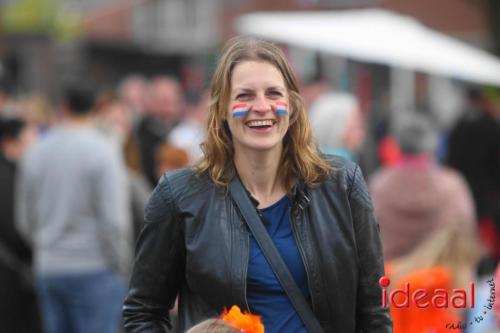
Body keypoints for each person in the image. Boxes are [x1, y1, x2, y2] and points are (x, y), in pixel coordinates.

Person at [123, 36, 392, 333]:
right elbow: (142, 312)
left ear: (291, 105)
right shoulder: (180, 195)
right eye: (245, 96)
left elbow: (374, 312)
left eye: (273, 93)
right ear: (222, 108)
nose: (261, 107)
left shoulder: (342, 184)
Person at [16, 82, 132, 333]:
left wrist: (45, 245)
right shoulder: (104, 151)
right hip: (95, 266)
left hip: (49, 265)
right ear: (93, 108)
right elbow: (114, 221)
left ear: (63, 106)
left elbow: (25, 220)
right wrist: (121, 264)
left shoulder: (35, 151)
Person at [370, 112, 476, 260]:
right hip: (440, 275)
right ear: (434, 143)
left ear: (398, 143)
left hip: (391, 275)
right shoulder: (453, 185)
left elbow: (369, 234)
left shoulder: (380, 183)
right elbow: (466, 231)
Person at [0, 115, 41, 333]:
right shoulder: (7, 177)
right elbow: (14, 226)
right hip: (11, 276)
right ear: (10, 143)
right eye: (30, 140)